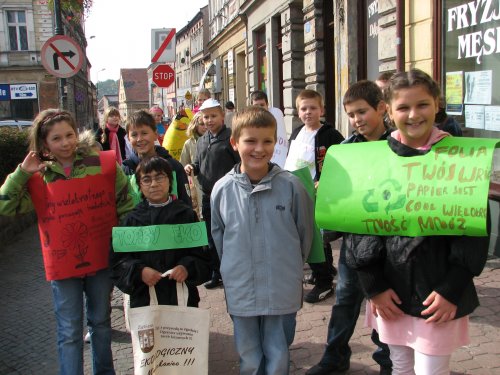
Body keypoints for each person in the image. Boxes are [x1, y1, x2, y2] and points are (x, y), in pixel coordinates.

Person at [345, 69, 489, 374]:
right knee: (400, 367)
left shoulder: (459, 158)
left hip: (438, 294)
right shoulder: (375, 158)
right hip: (391, 293)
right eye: (403, 107)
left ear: (436, 104)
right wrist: (373, 285)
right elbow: (360, 227)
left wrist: (453, 287)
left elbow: (474, 229)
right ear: (389, 111)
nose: (413, 115)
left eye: (422, 104)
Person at [0, 109, 134, 375]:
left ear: (77, 134)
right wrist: (21, 174)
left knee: (101, 322)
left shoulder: (99, 163)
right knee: (69, 331)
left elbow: (125, 201)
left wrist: (125, 244)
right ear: (44, 143)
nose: (65, 143)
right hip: (63, 267)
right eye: (56, 138)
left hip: (100, 258)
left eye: (69, 135)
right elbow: (6, 206)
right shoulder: (39, 175)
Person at [211, 106, 314, 374]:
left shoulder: (291, 186)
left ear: (276, 142)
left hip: (281, 285)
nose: (259, 148)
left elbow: (304, 235)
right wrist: (233, 269)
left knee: (278, 349)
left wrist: (290, 267)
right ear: (234, 143)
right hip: (241, 286)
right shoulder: (222, 190)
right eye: (250, 141)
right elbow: (219, 237)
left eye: (267, 141)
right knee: (249, 354)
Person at [307, 80, 393, 375]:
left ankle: (387, 360)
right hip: (356, 242)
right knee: (345, 298)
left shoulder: (401, 145)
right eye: (352, 115)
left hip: (391, 242)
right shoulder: (344, 150)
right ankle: (334, 358)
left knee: (385, 304)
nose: (357, 120)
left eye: (362, 112)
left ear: (381, 108)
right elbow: (338, 190)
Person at [111, 156, 210, 308]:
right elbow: (118, 262)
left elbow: (203, 257)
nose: (154, 184)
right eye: (146, 179)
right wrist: (139, 271)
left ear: (170, 180)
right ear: (139, 185)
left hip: (182, 300)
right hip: (145, 301)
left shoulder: (186, 215)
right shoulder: (131, 221)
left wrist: (186, 267)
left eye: (159, 177)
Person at [285, 89, 344, 304]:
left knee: (317, 238)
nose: (308, 112)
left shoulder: (330, 134)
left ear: (321, 110)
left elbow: (341, 163)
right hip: (297, 192)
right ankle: (324, 270)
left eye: (312, 108)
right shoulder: (297, 132)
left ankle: (324, 282)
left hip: (318, 195)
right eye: (303, 108)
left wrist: (324, 181)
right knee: (308, 237)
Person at [184, 98, 240, 289]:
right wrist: (192, 167)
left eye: (213, 116)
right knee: (212, 237)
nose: (209, 120)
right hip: (208, 196)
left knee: (232, 234)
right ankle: (217, 272)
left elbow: (240, 164)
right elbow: (199, 164)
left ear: (222, 116)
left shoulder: (231, 137)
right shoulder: (201, 141)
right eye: (206, 117)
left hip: (230, 195)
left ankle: (236, 271)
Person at [122, 109, 191, 207]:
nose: (139, 139)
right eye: (134, 135)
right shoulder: (126, 170)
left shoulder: (174, 167)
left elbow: (186, 204)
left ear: (155, 135)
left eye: (144, 133)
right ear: (128, 138)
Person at [250, 90, 288, 168]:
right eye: (256, 105)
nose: (260, 108)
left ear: (267, 105)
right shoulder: (249, 122)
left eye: (262, 105)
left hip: (279, 161)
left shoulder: (276, 114)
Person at [180, 112, 206, 219]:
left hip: (212, 181)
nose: (205, 127)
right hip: (196, 184)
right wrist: (187, 167)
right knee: (200, 211)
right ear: (195, 125)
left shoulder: (215, 140)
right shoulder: (189, 143)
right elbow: (183, 163)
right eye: (202, 124)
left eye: (206, 124)